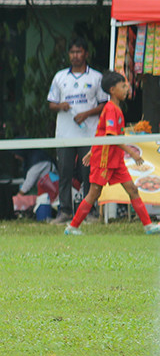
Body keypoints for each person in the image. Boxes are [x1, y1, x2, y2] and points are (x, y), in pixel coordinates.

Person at [65, 71, 160, 236]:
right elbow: (111, 137)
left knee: (132, 189)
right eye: (123, 86)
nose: (126, 89)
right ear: (112, 90)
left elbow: (100, 134)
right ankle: (72, 227)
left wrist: (91, 151)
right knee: (94, 193)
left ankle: (148, 226)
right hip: (105, 160)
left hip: (116, 160)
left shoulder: (116, 109)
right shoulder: (110, 109)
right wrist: (133, 153)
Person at [48, 38, 108, 224]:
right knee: (64, 173)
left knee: (88, 174)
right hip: (65, 134)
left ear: (86, 54)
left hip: (88, 134)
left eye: (79, 52)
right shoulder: (60, 77)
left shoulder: (96, 77)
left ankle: (89, 212)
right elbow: (51, 103)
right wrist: (60, 106)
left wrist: (86, 114)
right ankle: (65, 211)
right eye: (72, 52)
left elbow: (104, 104)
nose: (75, 56)